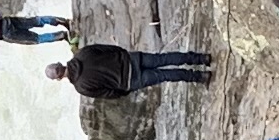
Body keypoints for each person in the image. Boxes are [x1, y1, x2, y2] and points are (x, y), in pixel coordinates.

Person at [53, 42, 217, 96]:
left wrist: (124, 91)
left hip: (130, 81)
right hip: (131, 59)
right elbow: (108, 48)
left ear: (59, 78)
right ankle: (202, 58)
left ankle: (201, 76)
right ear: (61, 65)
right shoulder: (83, 53)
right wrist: (123, 54)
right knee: (164, 58)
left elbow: (107, 93)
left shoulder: (81, 87)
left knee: (165, 76)